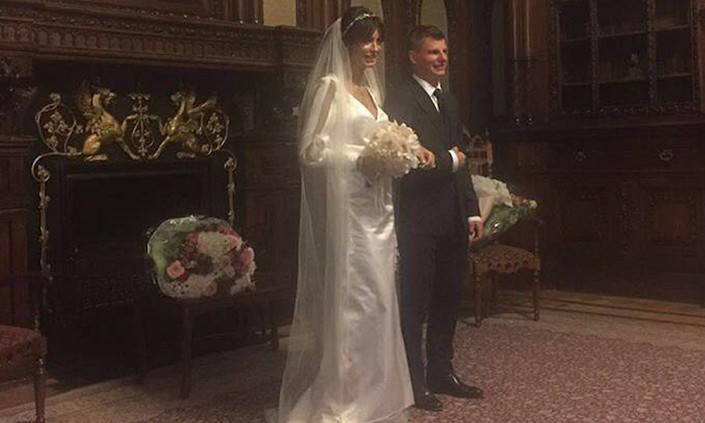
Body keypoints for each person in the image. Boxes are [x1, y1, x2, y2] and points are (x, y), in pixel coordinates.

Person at [275, 8, 433, 423]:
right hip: (351, 213)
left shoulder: (372, 92)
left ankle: (378, 394)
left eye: (378, 41)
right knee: (356, 301)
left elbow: (382, 138)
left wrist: (405, 151)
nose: (374, 48)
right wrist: (362, 158)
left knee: (380, 301)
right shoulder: (330, 88)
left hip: (380, 210)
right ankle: (346, 399)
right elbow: (311, 151)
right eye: (366, 40)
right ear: (346, 44)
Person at [385, 25, 484, 412]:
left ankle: (442, 372)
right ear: (414, 57)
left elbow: (462, 160)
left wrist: (471, 208)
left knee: (448, 299)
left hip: (453, 215)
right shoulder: (399, 99)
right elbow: (406, 164)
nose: (441, 58)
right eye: (432, 52)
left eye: (443, 51)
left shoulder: (450, 100)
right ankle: (413, 381)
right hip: (418, 217)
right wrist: (450, 160)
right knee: (415, 305)